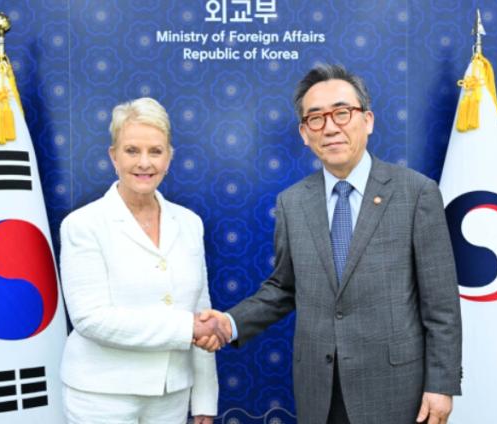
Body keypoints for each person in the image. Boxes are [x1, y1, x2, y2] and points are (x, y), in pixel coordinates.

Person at [197, 65, 462, 424]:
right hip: (319, 391)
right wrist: (229, 323)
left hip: (397, 390)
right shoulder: (292, 202)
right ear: (304, 133)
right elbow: (283, 288)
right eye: (316, 118)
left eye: (342, 113)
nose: (331, 127)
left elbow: (441, 304)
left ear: (367, 120)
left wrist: (441, 385)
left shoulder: (415, 193)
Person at [59, 97, 224, 424]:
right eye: (132, 151)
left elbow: (201, 309)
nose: (144, 163)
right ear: (114, 156)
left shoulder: (189, 223)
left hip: (171, 396)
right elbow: (90, 318)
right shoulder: (83, 224)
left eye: (155, 151)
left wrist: (205, 399)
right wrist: (186, 327)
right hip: (102, 396)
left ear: (169, 158)